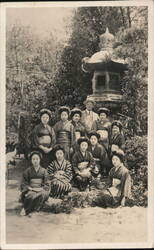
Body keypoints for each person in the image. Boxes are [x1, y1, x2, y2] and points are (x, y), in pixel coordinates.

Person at [20, 151, 50, 216]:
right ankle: (27, 209)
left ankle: (33, 209)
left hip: (41, 189)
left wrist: (41, 188)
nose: (35, 161)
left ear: (40, 160)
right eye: (33, 159)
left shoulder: (44, 171)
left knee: (43, 194)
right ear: (31, 160)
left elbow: (47, 183)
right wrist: (29, 188)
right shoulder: (27, 171)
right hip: (31, 189)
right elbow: (24, 182)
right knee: (30, 195)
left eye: (37, 159)